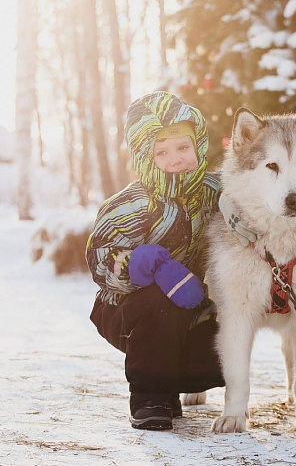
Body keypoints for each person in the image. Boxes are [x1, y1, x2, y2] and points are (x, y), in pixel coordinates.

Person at [86, 91, 224, 431]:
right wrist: (132, 262)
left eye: (183, 148)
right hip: (127, 308)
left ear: (198, 146)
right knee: (160, 302)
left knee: (224, 341)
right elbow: (99, 254)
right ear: (145, 158)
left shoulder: (215, 192)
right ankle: (149, 395)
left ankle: (169, 385)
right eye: (161, 152)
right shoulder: (131, 204)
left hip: (192, 306)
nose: (175, 159)